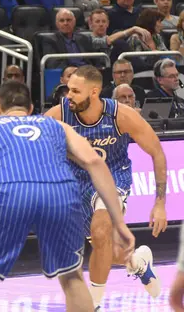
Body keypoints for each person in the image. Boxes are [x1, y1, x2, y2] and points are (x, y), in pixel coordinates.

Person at [0, 80, 135, 312]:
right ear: (31, 108)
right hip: (60, 193)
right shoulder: (57, 126)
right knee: (72, 277)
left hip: (8, 192)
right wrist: (120, 224)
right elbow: (94, 162)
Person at [45, 65, 168, 309]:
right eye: (68, 89)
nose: (68, 95)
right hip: (77, 182)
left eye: (75, 91)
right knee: (106, 251)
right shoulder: (58, 116)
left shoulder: (120, 115)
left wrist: (160, 202)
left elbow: (157, 152)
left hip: (113, 177)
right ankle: (138, 263)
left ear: (94, 92)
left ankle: (94, 304)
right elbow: (27, 141)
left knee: (101, 232)